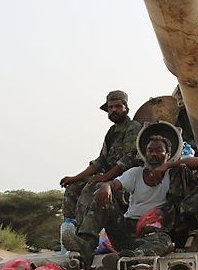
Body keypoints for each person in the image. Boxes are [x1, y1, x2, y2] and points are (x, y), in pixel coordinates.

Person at [65, 134, 198, 267]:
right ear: (145, 154)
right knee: (101, 196)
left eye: (159, 151)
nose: (153, 154)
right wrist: (106, 186)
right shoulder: (135, 173)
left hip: (152, 233)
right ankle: (86, 244)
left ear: (168, 154)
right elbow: (114, 184)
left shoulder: (172, 175)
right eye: (150, 150)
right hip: (126, 229)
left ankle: (128, 259)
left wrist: (168, 166)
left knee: (164, 242)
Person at [59, 90, 142, 228]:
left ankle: (82, 233)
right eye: (110, 107)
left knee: (91, 187)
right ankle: (69, 228)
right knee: (73, 188)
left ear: (126, 108)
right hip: (108, 177)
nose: (114, 110)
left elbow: (128, 160)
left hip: (126, 180)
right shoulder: (111, 132)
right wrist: (74, 178)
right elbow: (100, 161)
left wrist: (105, 178)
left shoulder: (133, 128)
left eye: (117, 106)